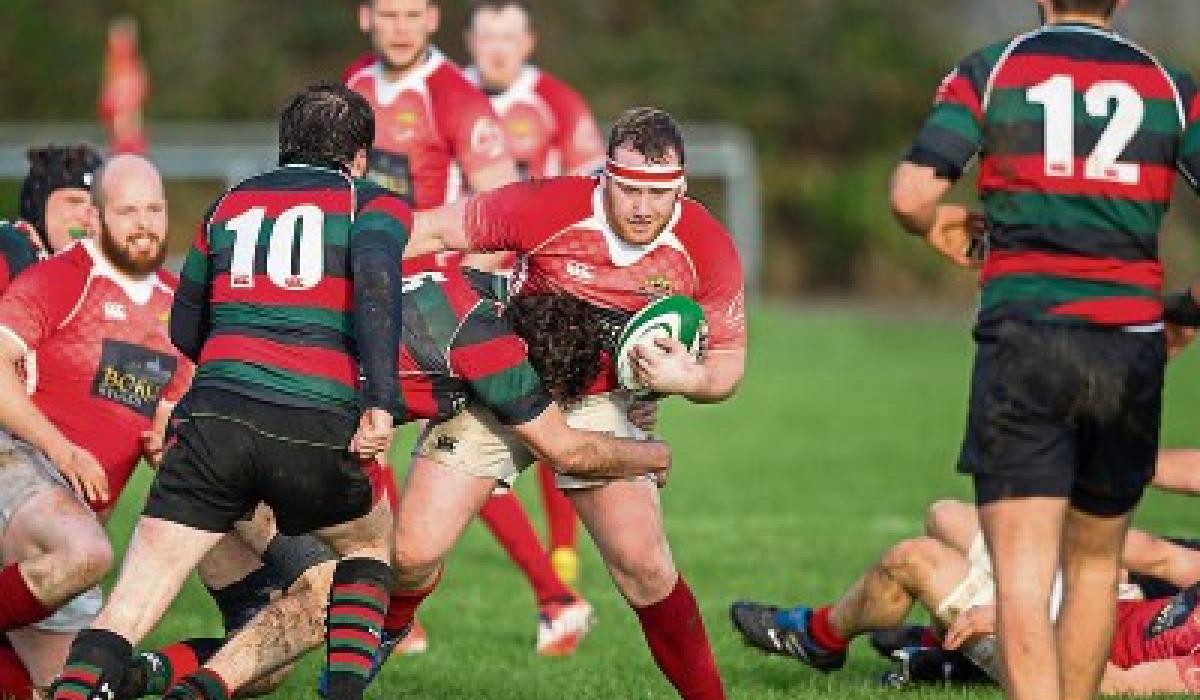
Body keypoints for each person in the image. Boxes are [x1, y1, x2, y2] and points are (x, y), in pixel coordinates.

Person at [118, 254, 672, 699]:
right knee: (341, 589)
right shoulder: (488, 344)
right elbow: (565, 450)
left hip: (203, 435)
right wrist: (654, 456)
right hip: (259, 443)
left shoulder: (456, 274)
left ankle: (124, 677)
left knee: (262, 653)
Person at [48, 82, 409, 700]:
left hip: (210, 423)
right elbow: (376, 292)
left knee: (127, 608)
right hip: (314, 421)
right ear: (358, 157)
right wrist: (379, 401)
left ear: (284, 147)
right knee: (369, 548)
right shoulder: (372, 204)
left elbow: (186, 329)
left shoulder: (229, 203)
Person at [888, 1, 1200, 698]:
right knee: (1095, 567)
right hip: (1129, 348)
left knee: (1024, 580)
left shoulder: (993, 70)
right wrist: (1186, 308)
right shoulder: (1171, 88)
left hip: (1027, 340)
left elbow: (911, 196)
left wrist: (935, 225)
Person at [404, 106, 745, 700]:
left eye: (657, 193)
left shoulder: (706, 246)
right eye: (629, 189)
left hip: (601, 401)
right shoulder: (548, 203)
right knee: (411, 555)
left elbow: (728, 367)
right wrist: (343, 265)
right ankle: (347, 680)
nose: (642, 207)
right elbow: (431, 230)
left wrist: (685, 378)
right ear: (604, 176)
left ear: (682, 187)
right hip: (506, 383)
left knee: (646, 568)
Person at [348, 0, 588, 655]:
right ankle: (541, 599)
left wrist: (459, 295)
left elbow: (502, 205)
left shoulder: (454, 96)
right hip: (372, 292)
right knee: (390, 445)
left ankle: (544, 594)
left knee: (438, 448)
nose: (400, 26)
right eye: (388, 14)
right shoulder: (355, 85)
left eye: (411, 14)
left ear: (431, 19)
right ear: (365, 17)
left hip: (432, 302)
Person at [0, 153, 189, 696]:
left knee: (70, 686)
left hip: (72, 517)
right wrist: (63, 450)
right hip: (19, 465)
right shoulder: (61, 278)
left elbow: (172, 411)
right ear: (98, 217)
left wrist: (167, 441)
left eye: (153, 209)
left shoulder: (175, 306)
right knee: (86, 554)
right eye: (127, 211)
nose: (144, 224)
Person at [730, 498, 1200, 695]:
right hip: (1083, 602)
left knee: (913, 560)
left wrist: (1017, 617)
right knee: (948, 516)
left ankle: (821, 637)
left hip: (1052, 650)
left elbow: (1108, 685)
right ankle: (942, 649)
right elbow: (1162, 559)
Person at [464, 0, 607, 585]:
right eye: (487, 37)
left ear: (528, 43)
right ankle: (550, 583)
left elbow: (594, 184)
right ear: (469, 42)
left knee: (549, 404)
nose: (497, 49)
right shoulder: (453, 98)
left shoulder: (557, 102)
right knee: (465, 425)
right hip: (465, 279)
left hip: (537, 282)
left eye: (508, 38)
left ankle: (562, 555)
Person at [1, 145, 102, 293]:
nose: (88, 218)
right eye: (74, 202)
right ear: (37, 208)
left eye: (96, 204)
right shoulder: (8, 254)